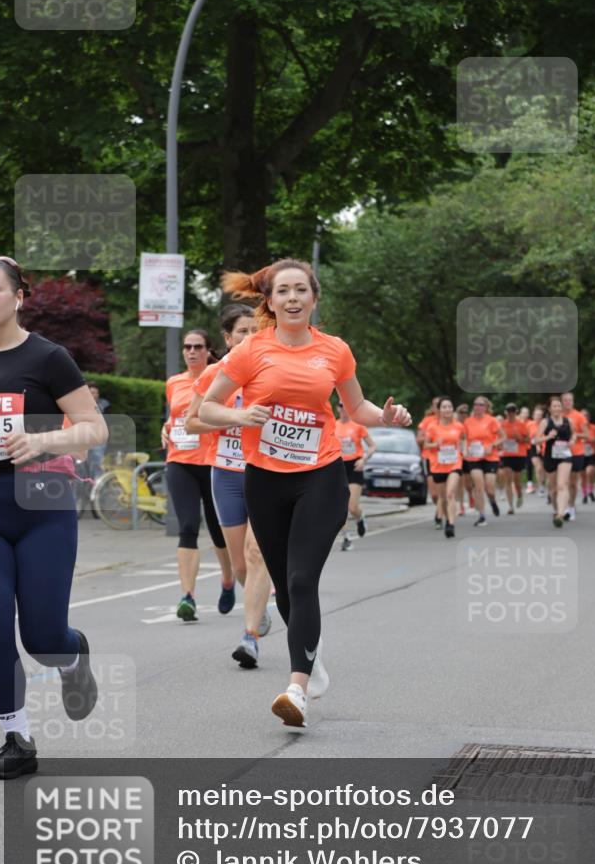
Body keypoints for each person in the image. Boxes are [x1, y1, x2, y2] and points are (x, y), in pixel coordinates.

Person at [198, 258, 411, 729]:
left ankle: (296, 689)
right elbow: (206, 409)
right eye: (283, 291)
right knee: (285, 587)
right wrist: (239, 416)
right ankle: (311, 659)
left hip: (320, 475)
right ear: (271, 302)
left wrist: (385, 417)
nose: (292, 298)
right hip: (264, 479)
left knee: (299, 581)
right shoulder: (250, 351)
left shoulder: (335, 350)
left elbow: (356, 405)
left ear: (314, 298)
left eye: (301, 290)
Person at [0, 257, 108, 779]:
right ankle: (17, 738)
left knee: (42, 636)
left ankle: (72, 655)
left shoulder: (48, 357)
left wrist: (42, 440)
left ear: (19, 297)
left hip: (43, 506)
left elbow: (94, 429)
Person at [184, 305, 273, 667]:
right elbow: (191, 422)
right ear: (228, 337)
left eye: (255, 331)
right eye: (242, 332)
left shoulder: (270, 371)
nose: (250, 337)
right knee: (239, 566)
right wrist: (231, 420)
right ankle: (256, 602)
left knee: (257, 553)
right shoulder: (213, 373)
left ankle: (250, 636)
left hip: (263, 471)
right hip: (226, 474)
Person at [161, 329, 234, 621]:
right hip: (180, 461)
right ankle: (187, 596)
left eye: (198, 347)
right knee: (188, 526)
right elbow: (175, 416)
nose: (192, 351)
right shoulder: (173, 382)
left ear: (208, 350)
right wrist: (166, 427)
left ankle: (227, 580)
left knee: (219, 530)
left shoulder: (218, 379)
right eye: (187, 347)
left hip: (212, 461)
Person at [335, 400, 376, 551]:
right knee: (340, 507)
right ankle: (346, 537)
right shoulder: (333, 425)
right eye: (341, 406)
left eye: (346, 406)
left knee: (352, 507)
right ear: (337, 409)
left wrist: (364, 459)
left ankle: (360, 517)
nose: (343, 409)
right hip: (338, 467)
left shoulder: (358, 425)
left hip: (355, 466)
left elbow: (372, 446)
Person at [423, 397, 465, 538]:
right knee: (443, 498)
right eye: (444, 407)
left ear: (453, 409)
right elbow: (426, 445)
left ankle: (451, 524)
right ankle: (447, 519)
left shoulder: (458, 426)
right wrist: (436, 444)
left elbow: (463, 439)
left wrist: (463, 450)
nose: (447, 409)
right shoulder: (432, 427)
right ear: (439, 410)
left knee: (450, 493)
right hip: (438, 466)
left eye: (449, 407)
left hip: (454, 463)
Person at [532, 395, 575, 527]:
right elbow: (536, 440)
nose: (557, 408)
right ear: (550, 409)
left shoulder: (568, 421)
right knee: (553, 489)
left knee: (562, 484)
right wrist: (548, 437)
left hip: (565, 456)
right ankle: (557, 511)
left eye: (559, 406)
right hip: (550, 457)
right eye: (554, 406)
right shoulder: (545, 422)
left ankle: (561, 514)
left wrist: (572, 441)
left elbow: (574, 434)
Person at [462, 396, 505, 527]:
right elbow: (463, 438)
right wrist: (464, 451)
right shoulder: (468, 422)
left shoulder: (491, 420)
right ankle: (482, 515)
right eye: (475, 404)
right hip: (474, 457)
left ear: (486, 407)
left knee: (490, 488)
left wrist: (492, 445)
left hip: (490, 457)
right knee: (479, 486)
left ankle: (492, 500)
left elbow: (503, 436)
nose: (478, 407)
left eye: (481, 404)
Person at [561, 392, 589, 522]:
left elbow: (587, 434)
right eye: (565, 400)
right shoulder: (558, 415)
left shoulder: (579, 416)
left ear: (573, 401)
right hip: (561, 453)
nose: (568, 402)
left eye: (570, 400)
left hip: (576, 452)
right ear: (562, 402)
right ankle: (564, 507)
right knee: (563, 482)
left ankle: (571, 507)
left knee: (572, 482)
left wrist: (575, 435)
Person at [500, 403, 531, 515]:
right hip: (506, 455)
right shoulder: (502, 425)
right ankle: (510, 506)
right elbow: (498, 438)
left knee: (517, 481)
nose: (511, 413)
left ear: (516, 412)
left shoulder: (521, 424)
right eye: (509, 411)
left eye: (513, 411)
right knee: (508, 480)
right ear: (506, 412)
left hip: (519, 455)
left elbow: (528, 440)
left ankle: (519, 495)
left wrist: (519, 438)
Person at [417, 397, 442, 528]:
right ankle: (441, 508)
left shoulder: (451, 421)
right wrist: (430, 439)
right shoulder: (427, 421)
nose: (437, 407)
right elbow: (419, 439)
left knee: (444, 490)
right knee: (434, 495)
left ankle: (439, 515)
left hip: (446, 460)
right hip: (430, 459)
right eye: (435, 405)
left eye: (440, 404)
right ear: (432, 407)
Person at [85, 383, 110, 481]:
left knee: (98, 462)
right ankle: (87, 485)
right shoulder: (81, 404)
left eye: (95, 392)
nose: (93, 395)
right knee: (84, 463)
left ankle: (99, 484)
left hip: (99, 438)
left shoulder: (103, 404)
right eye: (91, 392)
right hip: (84, 438)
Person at [581, 409, 595, 504]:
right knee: (582, 475)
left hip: (591, 453)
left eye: (586, 416)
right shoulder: (577, 428)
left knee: (590, 472)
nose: (584, 418)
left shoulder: (594, 427)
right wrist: (582, 441)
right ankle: (584, 494)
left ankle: (590, 490)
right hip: (580, 454)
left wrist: (594, 440)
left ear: (589, 417)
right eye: (582, 416)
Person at [526, 405, 546, 497]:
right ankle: (541, 487)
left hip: (544, 447)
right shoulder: (529, 424)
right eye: (536, 415)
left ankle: (543, 482)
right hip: (533, 447)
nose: (538, 417)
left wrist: (540, 443)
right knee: (538, 468)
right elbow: (526, 437)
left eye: (540, 415)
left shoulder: (545, 424)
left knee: (544, 468)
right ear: (533, 416)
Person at [455, 403, 471, 515]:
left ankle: (470, 494)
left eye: (465, 412)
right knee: (459, 483)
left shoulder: (470, 423)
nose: (463, 414)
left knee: (468, 483)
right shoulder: (454, 424)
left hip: (469, 455)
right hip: (457, 456)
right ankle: (460, 506)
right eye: (461, 412)